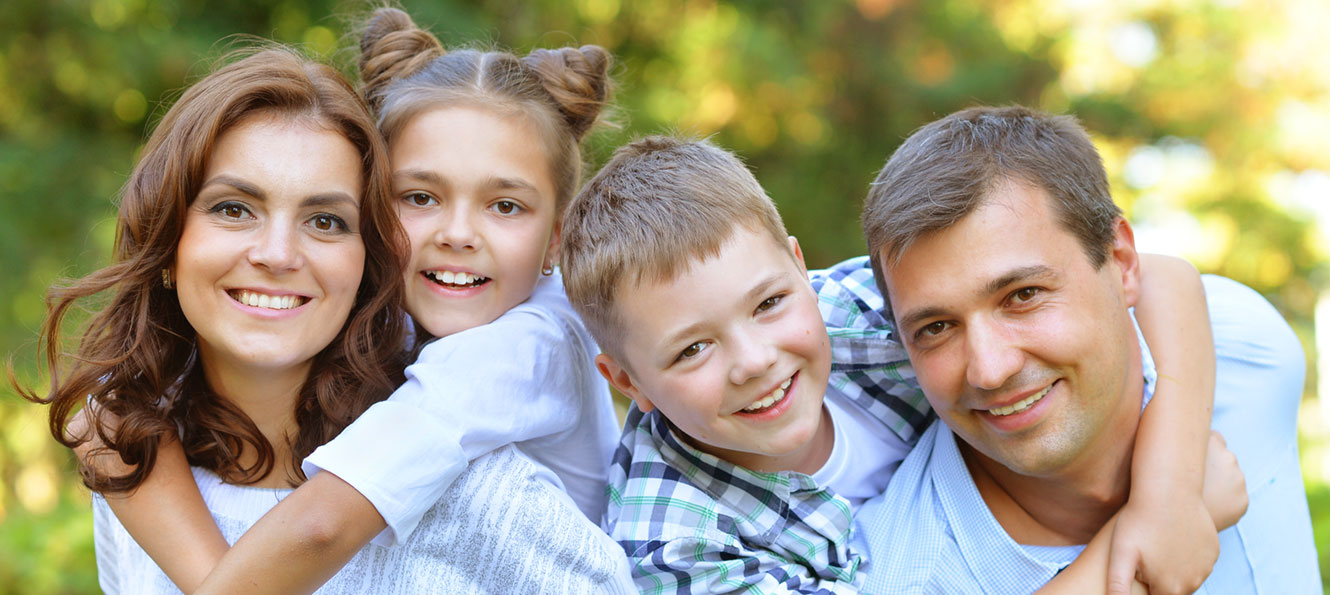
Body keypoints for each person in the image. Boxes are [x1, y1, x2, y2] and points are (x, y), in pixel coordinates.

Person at [50, 31, 635, 593]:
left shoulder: (534, 344)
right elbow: (107, 411)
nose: (457, 234)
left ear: (556, 240)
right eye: (420, 198)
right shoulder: (157, 435)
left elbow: (323, 524)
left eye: (325, 221)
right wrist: (115, 432)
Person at [559, 135, 1220, 593]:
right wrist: (1132, 551)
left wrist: (1168, 488)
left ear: (799, 266)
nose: (755, 361)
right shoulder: (675, 542)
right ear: (627, 381)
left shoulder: (854, 307)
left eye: (767, 303)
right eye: (692, 348)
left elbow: (1157, 276)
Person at [854, 105, 1321, 594]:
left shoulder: (1244, 350)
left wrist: (1170, 488)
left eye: (1023, 295)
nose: (989, 370)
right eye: (936, 327)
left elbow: (1170, 277)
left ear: (1120, 262)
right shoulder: (904, 576)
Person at [20, 46, 408, 591]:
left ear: (367, 263)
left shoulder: (473, 485)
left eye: (325, 220)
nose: (277, 254)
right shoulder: (128, 453)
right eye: (233, 209)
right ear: (166, 242)